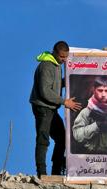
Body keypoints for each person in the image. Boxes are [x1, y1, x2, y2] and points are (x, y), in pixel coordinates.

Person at [29, 41, 81, 177]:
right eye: (62, 57)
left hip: (51, 108)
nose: (64, 60)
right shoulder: (46, 66)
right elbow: (45, 91)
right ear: (54, 52)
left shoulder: (57, 65)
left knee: (62, 139)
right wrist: (65, 102)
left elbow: (55, 85)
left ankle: (56, 172)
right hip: (43, 107)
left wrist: (68, 81)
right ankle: (42, 173)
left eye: (66, 57)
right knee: (43, 139)